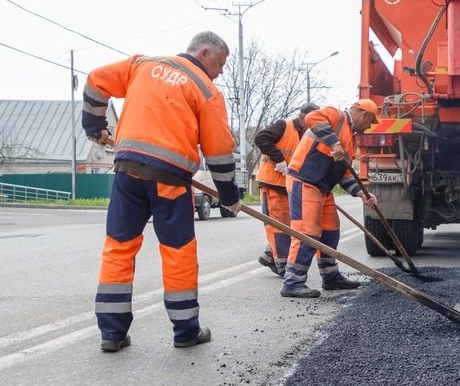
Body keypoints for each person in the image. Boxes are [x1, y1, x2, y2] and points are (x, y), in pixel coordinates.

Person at [82, 31, 241, 352]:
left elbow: (96, 80)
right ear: (205, 53)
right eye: (221, 63)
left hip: (127, 172)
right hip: (169, 180)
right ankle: (185, 331)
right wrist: (229, 196)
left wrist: (94, 125)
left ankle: (111, 334)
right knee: (178, 251)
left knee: (118, 247)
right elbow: (219, 151)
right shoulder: (206, 90)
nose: (221, 71)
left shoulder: (142, 64)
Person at [282, 99, 380, 298]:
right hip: (305, 180)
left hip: (323, 188)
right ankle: (293, 282)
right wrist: (334, 142)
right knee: (306, 232)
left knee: (330, 231)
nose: (369, 127)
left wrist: (362, 193)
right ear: (363, 114)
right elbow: (312, 117)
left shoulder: (351, 141)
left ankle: (330, 277)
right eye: (370, 122)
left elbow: (344, 174)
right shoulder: (336, 116)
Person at [254, 102, 320, 277]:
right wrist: (279, 160)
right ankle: (283, 265)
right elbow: (261, 138)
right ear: (303, 117)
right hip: (272, 183)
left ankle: (269, 256)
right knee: (279, 226)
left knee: (291, 226)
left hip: (289, 185)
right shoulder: (284, 126)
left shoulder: (307, 133)